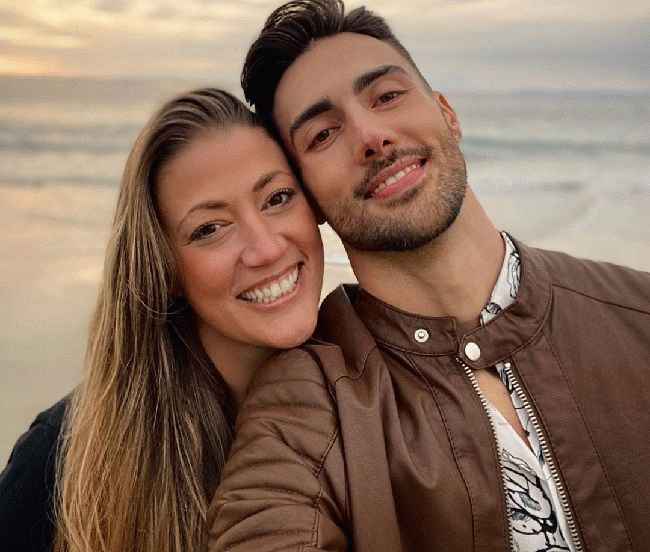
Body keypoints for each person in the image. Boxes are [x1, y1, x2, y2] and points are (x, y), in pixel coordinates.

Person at [208, 1, 650, 551]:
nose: (371, 136)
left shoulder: (638, 314)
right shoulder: (306, 404)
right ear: (308, 196)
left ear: (447, 113)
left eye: (387, 96)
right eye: (322, 134)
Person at [0, 88, 325, 552]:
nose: (267, 248)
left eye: (277, 198)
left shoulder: (375, 401)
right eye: (209, 229)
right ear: (165, 270)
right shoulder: (64, 458)